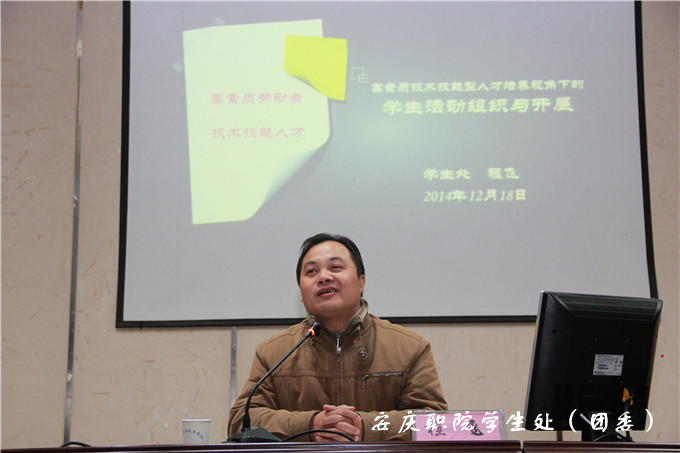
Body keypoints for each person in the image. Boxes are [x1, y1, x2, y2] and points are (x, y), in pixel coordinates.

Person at [227, 233, 448, 442]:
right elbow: (240, 421)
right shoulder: (273, 352)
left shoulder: (410, 348)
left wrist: (366, 426)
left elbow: (436, 422)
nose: (324, 277)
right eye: (311, 271)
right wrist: (311, 425)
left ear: (361, 283)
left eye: (335, 267)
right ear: (301, 293)